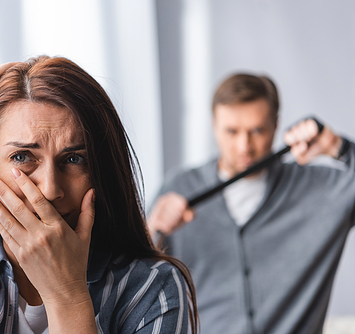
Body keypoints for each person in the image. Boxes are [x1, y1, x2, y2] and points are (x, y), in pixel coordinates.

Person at [0, 56, 198, 333]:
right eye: (22, 157)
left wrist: (66, 295)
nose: (50, 189)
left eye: (74, 159)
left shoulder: (153, 288)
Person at [147, 73, 355, 334]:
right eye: (231, 131)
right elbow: (130, 280)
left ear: (276, 125)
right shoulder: (179, 188)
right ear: (214, 125)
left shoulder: (322, 189)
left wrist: (336, 146)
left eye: (257, 131)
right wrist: (151, 229)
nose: (244, 146)